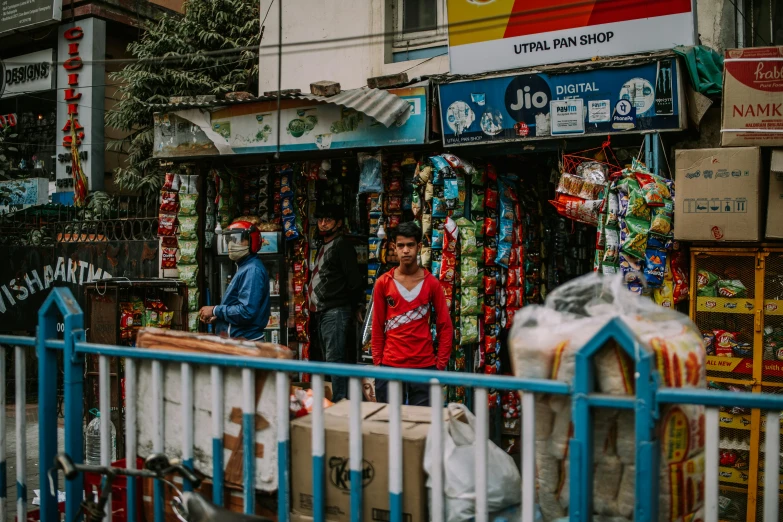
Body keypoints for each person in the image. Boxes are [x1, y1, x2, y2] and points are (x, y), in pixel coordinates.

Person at [371, 221, 453, 406]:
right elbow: (377, 326)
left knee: (422, 425)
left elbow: (445, 326)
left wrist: (439, 366)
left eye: (410, 245)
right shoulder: (384, 283)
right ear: (394, 247)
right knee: (390, 425)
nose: (406, 250)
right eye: (401, 245)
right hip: (390, 365)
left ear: (419, 247)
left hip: (424, 366)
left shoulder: (432, 283)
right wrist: (378, 365)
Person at [308, 204, 364, 402]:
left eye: (328, 220)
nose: (323, 224)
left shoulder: (341, 245)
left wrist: (356, 305)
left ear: (339, 223)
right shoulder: (324, 245)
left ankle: (341, 403)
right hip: (323, 312)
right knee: (330, 359)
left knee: (335, 360)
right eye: (321, 220)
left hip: (336, 311)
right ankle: (337, 400)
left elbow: (354, 280)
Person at [199, 221, 271, 341]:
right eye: (230, 240)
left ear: (252, 242)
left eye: (239, 239)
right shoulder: (244, 267)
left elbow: (246, 312)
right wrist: (219, 316)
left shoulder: (252, 270)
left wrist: (215, 310)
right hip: (239, 340)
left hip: (246, 343)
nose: (232, 244)